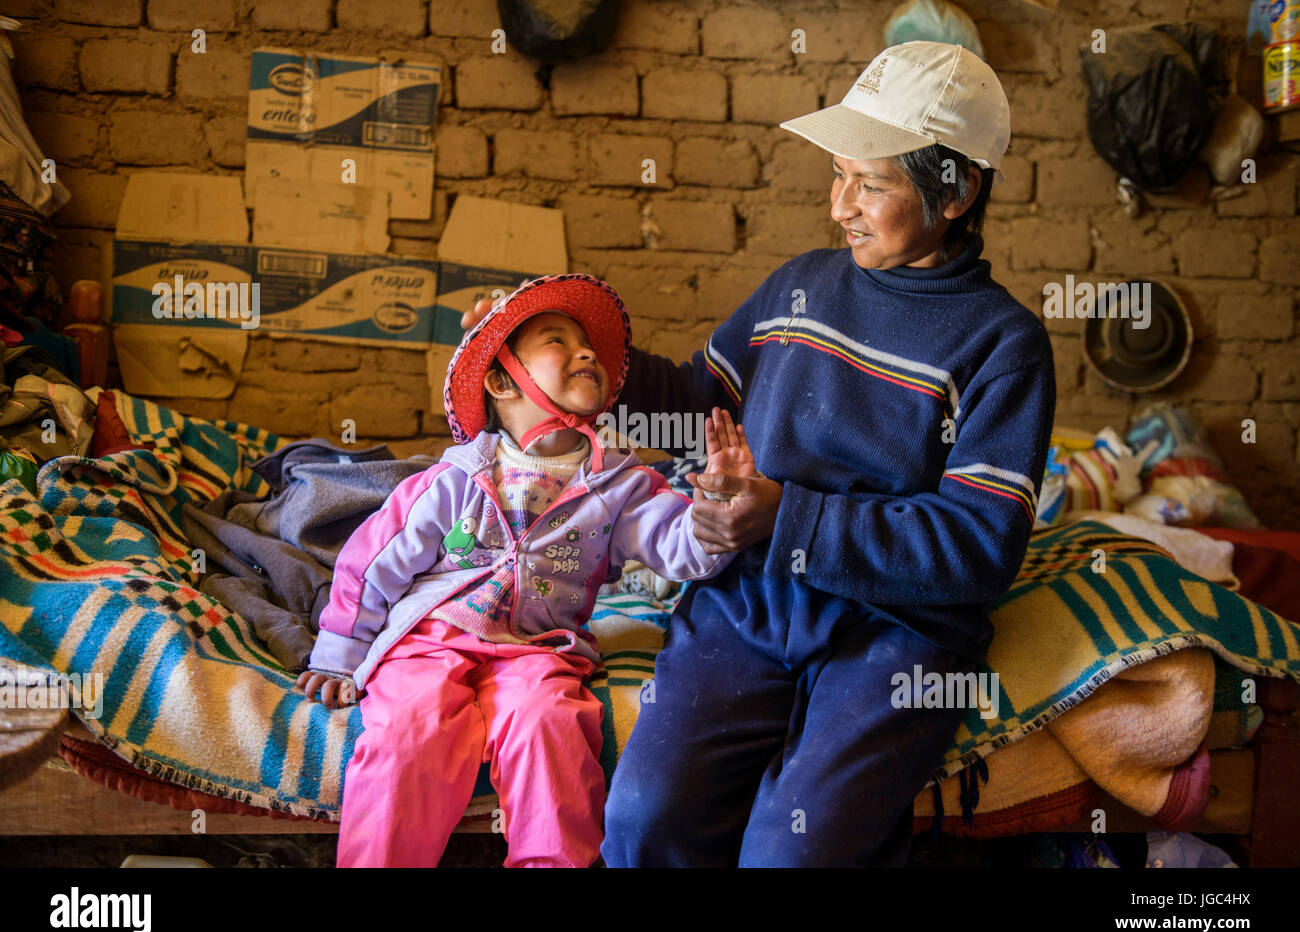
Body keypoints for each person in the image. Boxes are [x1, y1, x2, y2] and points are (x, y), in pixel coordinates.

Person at [461, 41, 1057, 867]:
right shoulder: (798, 290)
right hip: (750, 599)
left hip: (896, 633)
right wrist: (564, 353)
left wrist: (787, 515)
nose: (841, 205)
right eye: (838, 174)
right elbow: (696, 403)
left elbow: (980, 547)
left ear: (956, 191)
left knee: (791, 851)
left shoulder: (1003, 345)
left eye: (872, 184)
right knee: (641, 819)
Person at [298, 273, 749, 867]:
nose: (586, 352)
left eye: (588, 346)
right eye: (557, 340)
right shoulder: (458, 477)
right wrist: (338, 652)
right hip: (428, 640)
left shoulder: (619, 485)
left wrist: (719, 507)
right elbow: (372, 561)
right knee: (411, 730)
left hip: (539, 649)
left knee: (550, 728)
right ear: (501, 379)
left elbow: (681, 546)